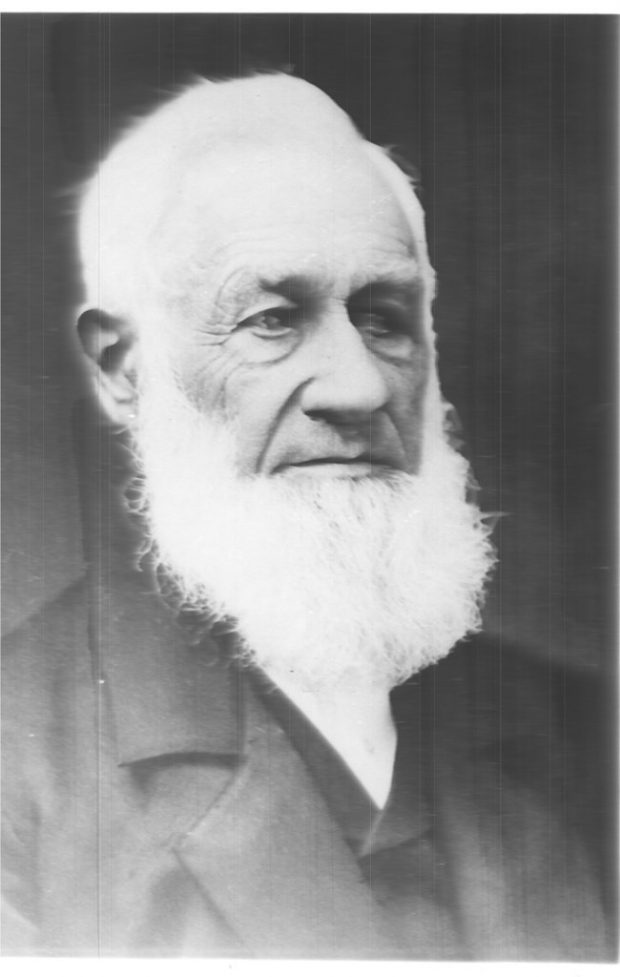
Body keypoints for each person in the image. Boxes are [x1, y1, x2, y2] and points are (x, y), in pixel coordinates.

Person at [1, 73, 610, 959]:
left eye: (385, 318)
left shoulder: (581, 730)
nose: (361, 385)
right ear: (124, 364)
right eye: (272, 319)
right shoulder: (18, 763)